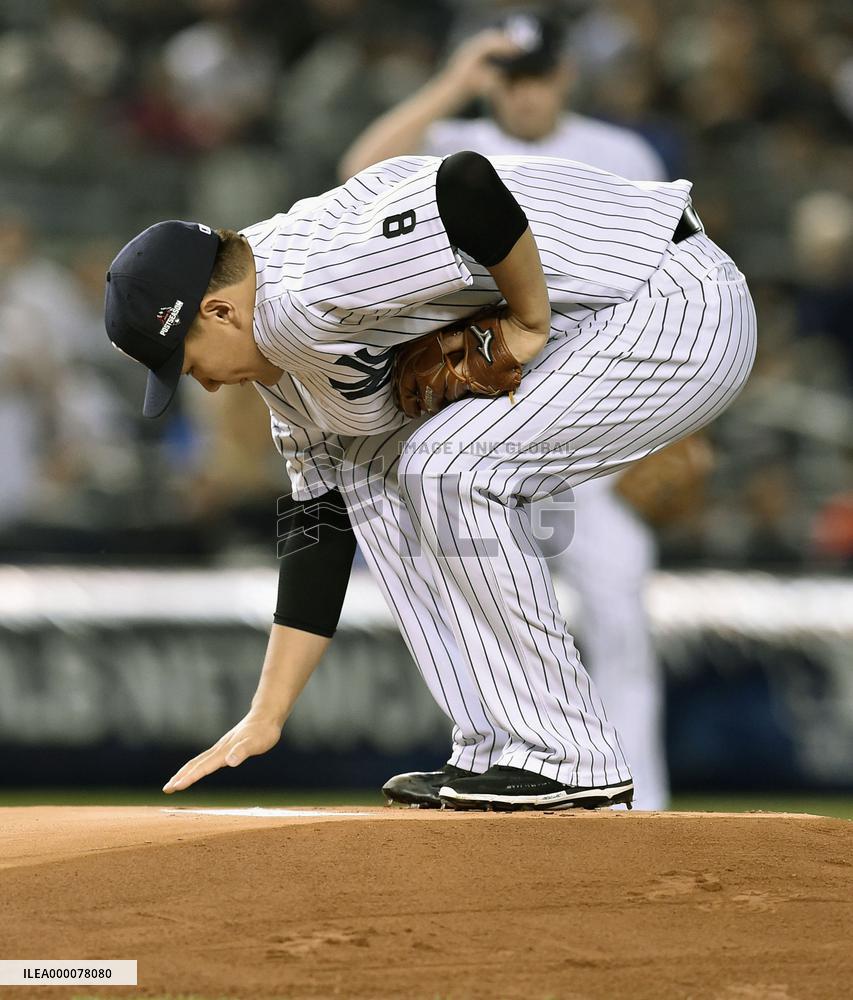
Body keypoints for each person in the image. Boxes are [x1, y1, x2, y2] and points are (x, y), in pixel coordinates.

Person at [105, 148, 756, 811]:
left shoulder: (311, 277)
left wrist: (527, 320)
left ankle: (568, 754)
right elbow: (319, 530)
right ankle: (494, 745)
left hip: (666, 297)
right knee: (370, 479)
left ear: (219, 312)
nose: (202, 382)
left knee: (446, 464)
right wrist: (267, 714)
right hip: (595, 321)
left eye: (186, 360)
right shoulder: (285, 370)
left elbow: (466, 184)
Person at [341, 11, 671, 809]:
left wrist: (670, 426)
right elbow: (357, 174)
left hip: (585, 416)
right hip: (482, 411)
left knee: (619, 612)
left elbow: (662, 273)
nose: (524, 93)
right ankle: (507, 762)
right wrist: (455, 82)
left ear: (564, 77)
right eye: (509, 78)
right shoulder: (453, 142)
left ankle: (643, 804)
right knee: (479, 601)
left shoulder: (620, 152)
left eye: (536, 76)